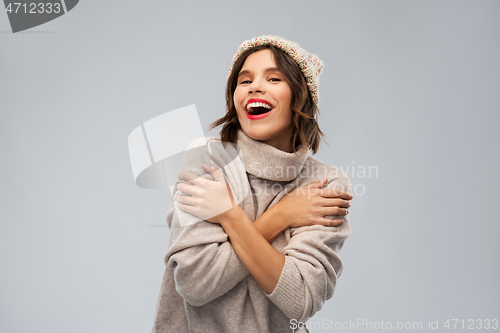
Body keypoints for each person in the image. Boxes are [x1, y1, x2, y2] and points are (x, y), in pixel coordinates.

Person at [151, 35, 353, 333]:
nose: (255, 86)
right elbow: (195, 283)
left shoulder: (324, 183)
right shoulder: (207, 158)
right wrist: (281, 215)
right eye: (244, 81)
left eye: (274, 78)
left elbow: (301, 299)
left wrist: (227, 215)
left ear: (301, 97)